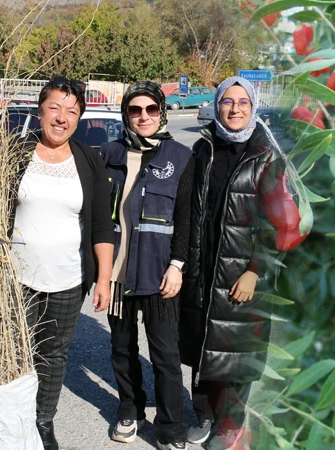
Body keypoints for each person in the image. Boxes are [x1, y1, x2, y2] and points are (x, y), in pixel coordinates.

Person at [179, 76, 293, 449]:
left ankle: (230, 423)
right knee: (202, 349)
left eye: (243, 102)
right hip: (204, 265)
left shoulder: (266, 156)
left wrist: (254, 271)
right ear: (217, 105)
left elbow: (280, 225)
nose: (235, 109)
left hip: (240, 274)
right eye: (228, 102)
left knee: (236, 354)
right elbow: (189, 210)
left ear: (253, 106)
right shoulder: (204, 147)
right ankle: (204, 414)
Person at [7, 75, 114, 450]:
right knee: (16, 351)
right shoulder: (15, 153)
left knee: (53, 355)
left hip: (69, 278)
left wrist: (103, 279)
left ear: (80, 117)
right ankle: (14, 420)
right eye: (54, 107)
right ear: (40, 111)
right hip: (16, 276)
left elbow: (102, 224)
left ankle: (43, 421)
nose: (61, 117)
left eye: (71, 111)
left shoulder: (89, 160)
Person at [100, 81, 194, 450]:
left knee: (166, 357)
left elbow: (186, 218)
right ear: (126, 114)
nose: (143, 117)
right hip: (120, 275)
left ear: (162, 112)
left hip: (160, 274)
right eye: (135, 110)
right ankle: (130, 410)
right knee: (121, 348)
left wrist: (178, 265)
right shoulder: (107, 154)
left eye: (151, 109)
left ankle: (170, 427)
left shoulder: (181, 157)